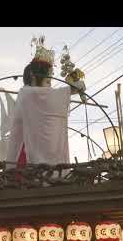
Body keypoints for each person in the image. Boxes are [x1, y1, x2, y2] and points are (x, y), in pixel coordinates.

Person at [6, 36, 86, 168]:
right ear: (33, 76)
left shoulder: (38, 97)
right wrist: (71, 89)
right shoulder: (26, 93)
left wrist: (71, 89)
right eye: (47, 81)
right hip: (24, 161)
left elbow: (49, 97)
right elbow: (47, 96)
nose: (49, 87)